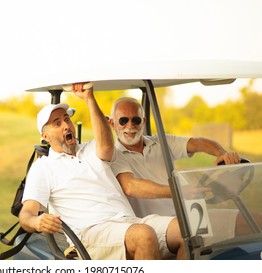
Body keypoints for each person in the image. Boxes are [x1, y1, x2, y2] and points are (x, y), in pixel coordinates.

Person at [19, 83, 186, 260]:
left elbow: (106, 145)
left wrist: (89, 99)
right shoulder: (44, 167)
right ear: (45, 136)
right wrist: (36, 221)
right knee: (143, 235)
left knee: (186, 230)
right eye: (57, 124)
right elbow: (26, 214)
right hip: (90, 233)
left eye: (67, 120)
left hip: (127, 222)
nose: (66, 126)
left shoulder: (92, 148)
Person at [109, 96, 258, 240]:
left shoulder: (162, 141)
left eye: (136, 120)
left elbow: (198, 143)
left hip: (191, 215)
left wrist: (222, 154)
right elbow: (131, 186)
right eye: (123, 121)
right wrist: (178, 191)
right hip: (157, 228)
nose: (130, 126)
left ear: (143, 121)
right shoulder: (114, 156)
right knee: (189, 239)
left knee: (255, 220)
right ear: (112, 124)